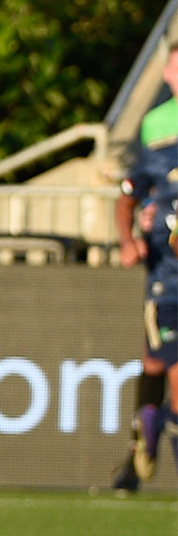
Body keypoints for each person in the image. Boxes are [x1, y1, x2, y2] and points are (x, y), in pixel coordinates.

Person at [112, 45, 178, 492]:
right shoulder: (160, 150)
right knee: (160, 366)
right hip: (168, 284)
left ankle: (150, 422)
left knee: (156, 365)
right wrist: (129, 239)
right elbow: (127, 194)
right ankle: (150, 426)